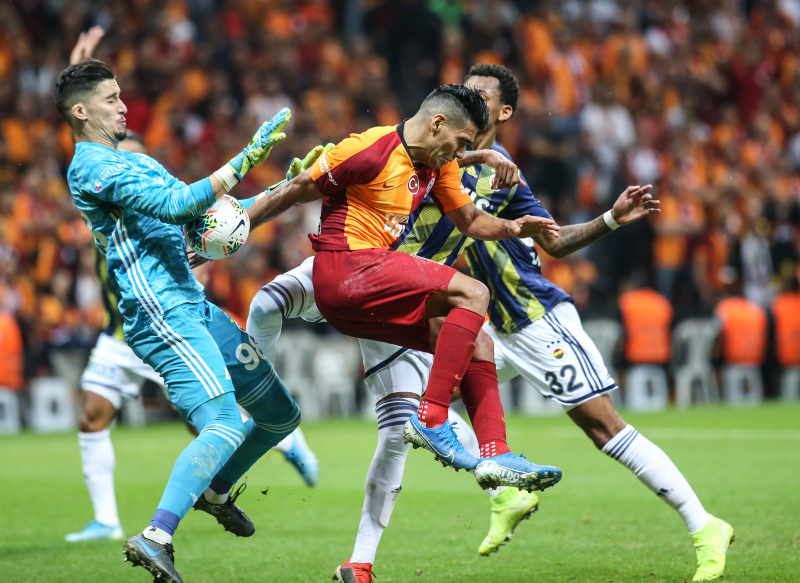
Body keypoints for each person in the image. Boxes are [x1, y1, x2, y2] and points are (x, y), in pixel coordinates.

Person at [249, 66, 732, 583]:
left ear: (502, 113)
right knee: (382, 405)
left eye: (483, 96)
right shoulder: (436, 154)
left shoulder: (500, 176)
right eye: (467, 92)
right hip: (417, 293)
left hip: (523, 316)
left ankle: (701, 525)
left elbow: (552, 240)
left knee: (597, 423)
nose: (472, 100)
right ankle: (275, 430)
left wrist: (608, 219)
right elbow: (388, 151)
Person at [63, 33, 318, 547]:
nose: (123, 105)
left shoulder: (135, 161)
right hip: (160, 311)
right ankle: (156, 536)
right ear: (81, 112)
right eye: (111, 98)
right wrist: (247, 157)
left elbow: (201, 218)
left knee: (279, 416)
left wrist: (287, 188)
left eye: (121, 95)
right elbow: (179, 204)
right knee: (223, 424)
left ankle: (217, 493)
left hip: (192, 303)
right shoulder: (90, 168)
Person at [247, 84, 564, 495]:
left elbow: (470, 220)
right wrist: (235, 232)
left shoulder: (437, 165)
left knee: (479, 342)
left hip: (359, 300)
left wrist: (515, 227)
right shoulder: (369, 147)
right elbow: (294, 189)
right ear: (437, 123)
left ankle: (495, 452)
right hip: (344, 267)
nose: (460, 154)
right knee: (474, 293)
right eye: (461, 143)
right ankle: (431, 418)